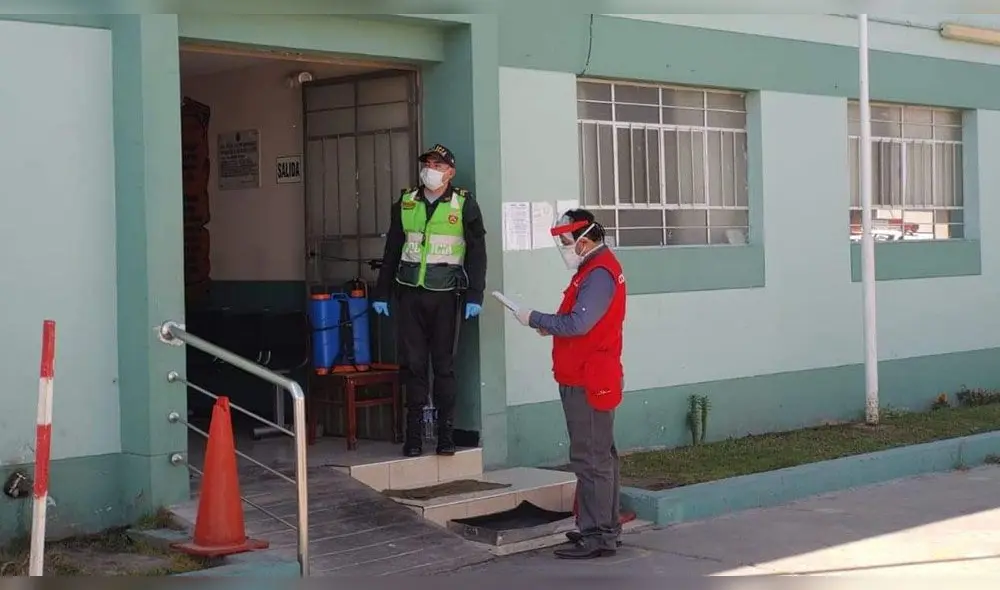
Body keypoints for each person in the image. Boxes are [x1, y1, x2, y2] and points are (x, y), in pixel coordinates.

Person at [511, 209, 627, 560]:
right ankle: (605, 528)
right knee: (600, 456)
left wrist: (534, 318)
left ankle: (598, 535)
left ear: (585, 241)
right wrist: (550, 325)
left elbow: (578, 323)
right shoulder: (593, 270)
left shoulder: (599, 274)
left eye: (565, 242)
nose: (563, 248)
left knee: (591, 459)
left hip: (588, 379)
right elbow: (578, 322)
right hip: (588, 373)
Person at [372, 144, 487, 457]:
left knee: (444, 366)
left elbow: (477, 252)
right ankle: (414, 436)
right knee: (414, 366)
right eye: (427, 163)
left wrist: (476, 293)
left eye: (437, 164)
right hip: (409, 293)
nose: (430, 169)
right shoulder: (407, 201)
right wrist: (381, 292)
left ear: (449, 172)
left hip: (446, 295)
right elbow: (392, 250)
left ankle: (445, 435)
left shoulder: (464, 204)